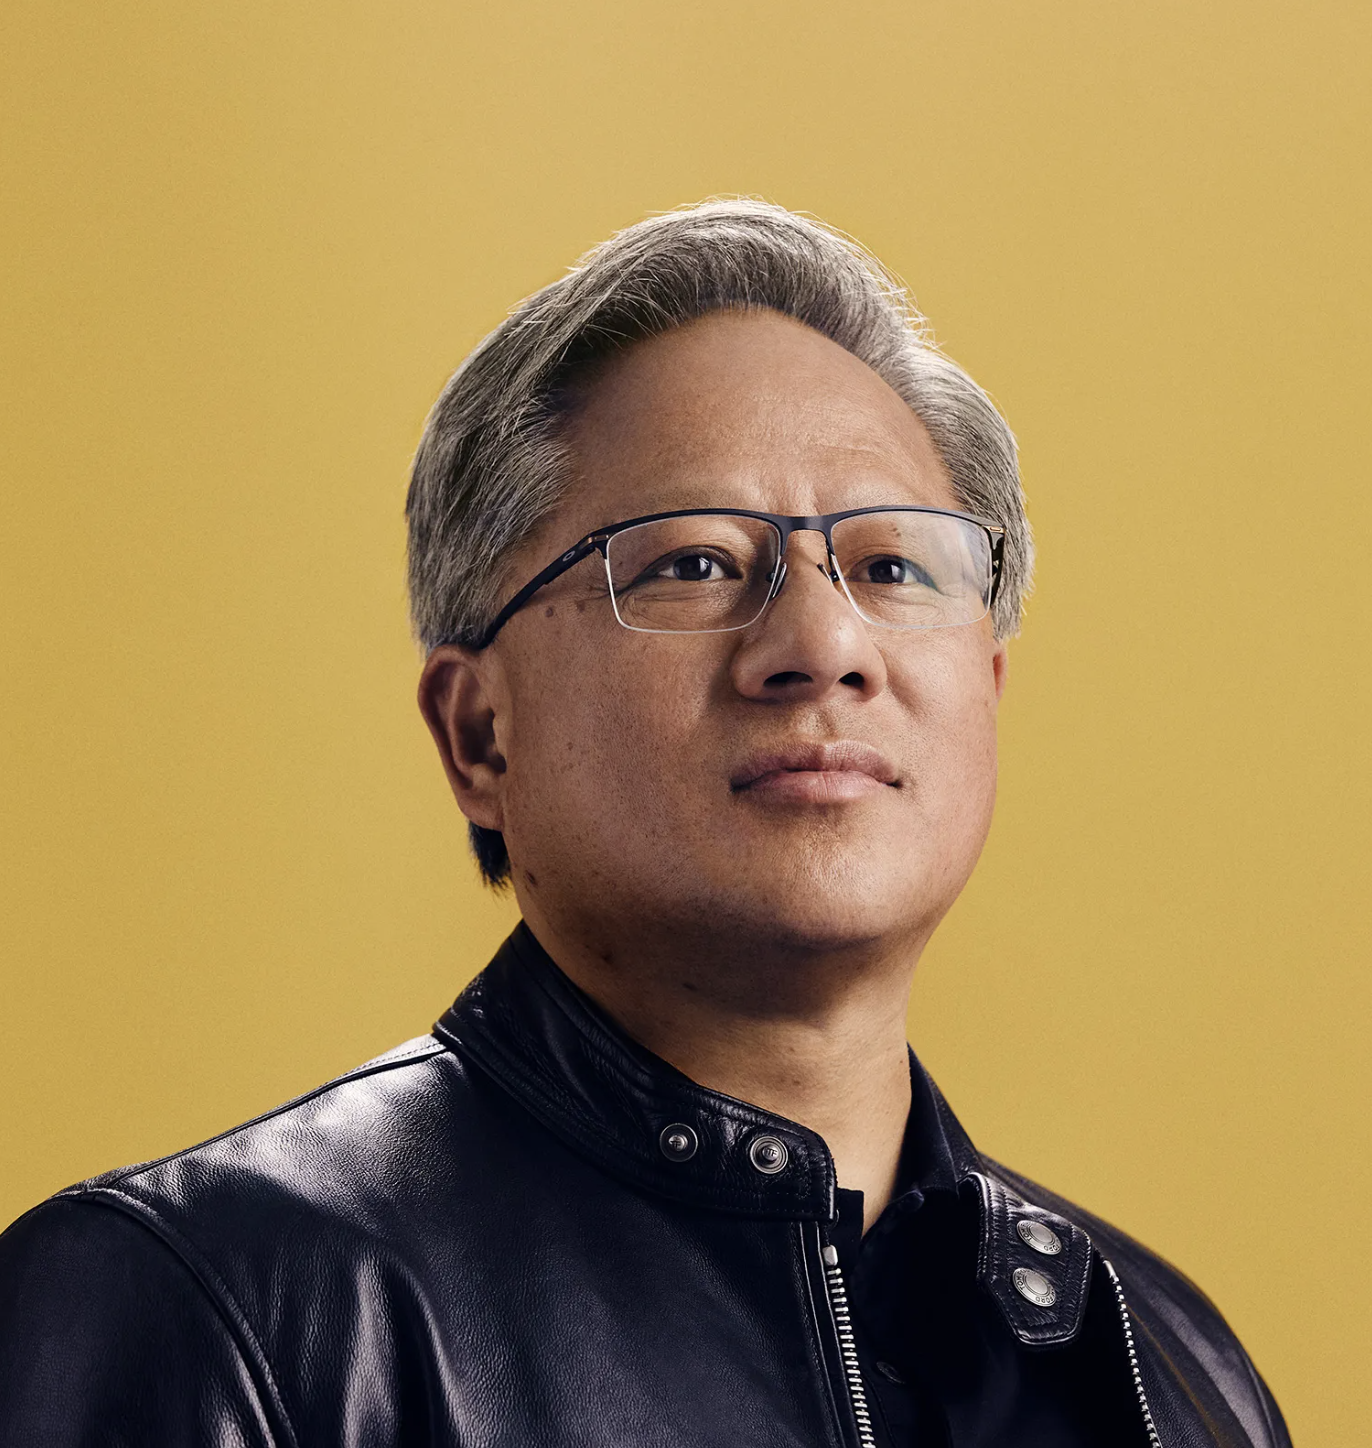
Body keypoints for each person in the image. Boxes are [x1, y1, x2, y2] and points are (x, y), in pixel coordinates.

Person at [0, 200, 1289, 1448]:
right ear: (480, 734)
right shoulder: (204, 1314)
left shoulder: (1161, 1360)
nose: (825, 644)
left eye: (895, 567)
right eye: (692, 564)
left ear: (989, 691)